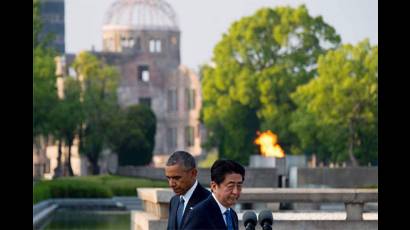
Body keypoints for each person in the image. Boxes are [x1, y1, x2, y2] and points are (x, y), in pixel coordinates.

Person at [184, 159, 245, 230]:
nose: (235, 191)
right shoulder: (199, 214)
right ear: (214, 186)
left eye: (239, 186)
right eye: (230, 186)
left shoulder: (232, 214)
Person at [165, 150, 211, 230]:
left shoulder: (210, 201)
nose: (171, 184)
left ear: (193, 173)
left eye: (176, 178)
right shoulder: (174, 201)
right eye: (168, 178)